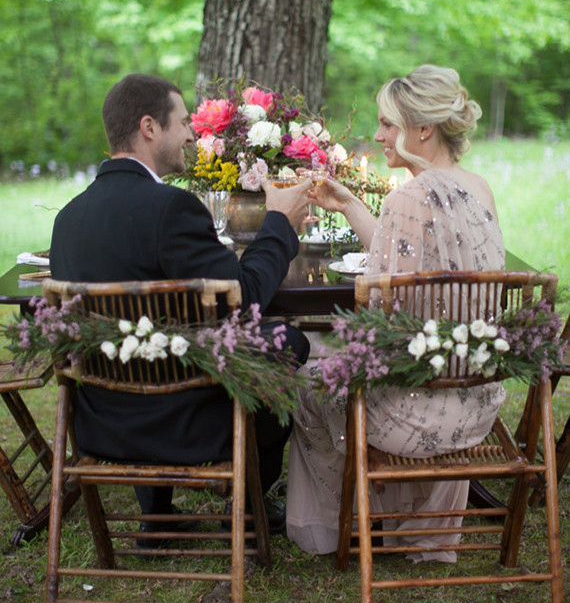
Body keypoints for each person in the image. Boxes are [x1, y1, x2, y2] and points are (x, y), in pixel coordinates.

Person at [49, 73, 311, 541]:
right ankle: (248, 506)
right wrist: (279, 222)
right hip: (184, 424)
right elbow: (243, 298)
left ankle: (158, 518)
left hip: (100, 424)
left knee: (148, 338)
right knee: (288, 342)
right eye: (184, 122)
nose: (192, 134)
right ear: (149, 127)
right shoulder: (172, 208)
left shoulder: (68, 218)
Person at [286, 64, 506, 561]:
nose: (379, 135)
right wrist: (351, 206)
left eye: (388, 123)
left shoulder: (408, 197)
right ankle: (406, 522)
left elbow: (382, 312)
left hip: (417, 413)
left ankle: (344, 527)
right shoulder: (478, 187)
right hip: (475, 401)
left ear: (422, 128)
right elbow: (408, 266)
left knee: (307, 380)